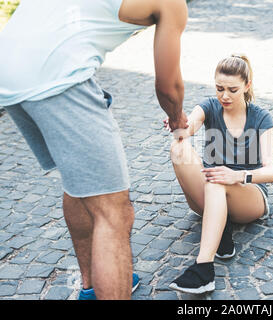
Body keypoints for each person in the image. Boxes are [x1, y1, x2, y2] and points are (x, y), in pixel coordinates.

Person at [0, 0, 189, 299]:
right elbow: (168, 87)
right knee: (113, 211)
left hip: (8, 69)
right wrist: (178, 118)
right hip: (57, 78)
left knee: (79, 183)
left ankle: (91, 287)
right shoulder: (172, 4)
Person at [165, 55, 273, 294]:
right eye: (219, 88)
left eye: (232, 90)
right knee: (178, 147)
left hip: (247, 195)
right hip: (210, 191)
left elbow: (271, 172)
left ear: (247, 86)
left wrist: (237, 176)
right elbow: (189, 127)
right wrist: (178, 125)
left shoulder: (261, 118)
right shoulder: (209, 106)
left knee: (217, 180)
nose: (224, 96)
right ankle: (221, 224)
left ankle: (203, 269)